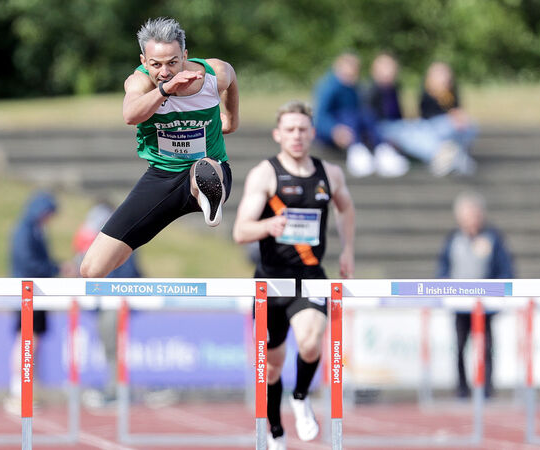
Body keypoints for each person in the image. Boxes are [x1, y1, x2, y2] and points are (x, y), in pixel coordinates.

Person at [233, 100, 355, 448]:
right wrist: (268, 225)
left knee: (311, 342)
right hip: (271, 282)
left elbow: (346, 209)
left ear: (312, 133)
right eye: (290, 130)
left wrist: (348, 249)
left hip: (311, 276)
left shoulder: (330, 174)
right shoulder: (265, 174)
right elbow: (240, 231)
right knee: (272, 366)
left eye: (302, 129)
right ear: (278, 134)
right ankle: (275, 431)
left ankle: (301, 397)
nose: (297, 135)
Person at [79, 16, 239, 279]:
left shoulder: (211, 75)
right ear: (144, 61)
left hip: (210, 170)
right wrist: (165, 90)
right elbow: (130, 115)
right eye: (156, 64)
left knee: (204, 167)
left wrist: (231, 120)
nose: (164, 72)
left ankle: (208, 195)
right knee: (91, 269)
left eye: (172, 63)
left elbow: (230, 77)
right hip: (161, 178)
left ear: (184, 56)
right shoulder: (139, 83)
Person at [437, 191, 514, 399]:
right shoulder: (453, 238)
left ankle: (487, 389)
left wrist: (498, 291)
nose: (472, 218)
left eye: (475, 213)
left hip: (485, 304)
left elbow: (505, 268)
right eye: (467, 214)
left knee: (486, 346)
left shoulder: (493, 237)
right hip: (460, 304)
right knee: (460, 346)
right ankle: (462, 388)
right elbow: (443, 268)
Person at [5, 191, 74, 412]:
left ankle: (26, 390)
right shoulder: (25, 230)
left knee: (31, 341)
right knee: (27, 340)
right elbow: (28, 263)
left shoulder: (34, 229)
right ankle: (18, 392)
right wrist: (57, 268)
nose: (49, 219)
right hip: (27, 293)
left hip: (36, 292)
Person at [72, 201, 143, 408]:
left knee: (113, 349)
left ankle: (118, 391)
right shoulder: (94, 237)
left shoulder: (122, 237)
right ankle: (117, 389)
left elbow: (127, 272)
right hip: (104, 302)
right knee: (110, 349)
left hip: (114, 301)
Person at [313, 52, 408, 178]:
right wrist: (333, 130)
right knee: (349, 116)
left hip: (352, 128)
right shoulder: (329, 87)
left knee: (367, 115)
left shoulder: (355, 88)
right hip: (334, 131)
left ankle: (382, 150)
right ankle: (357, 151)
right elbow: (320, 117)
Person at [419, 61, 478, 176]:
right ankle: (448, 156)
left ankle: (454, 155)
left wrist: (459, 117)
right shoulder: (427, 93)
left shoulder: (451, 91)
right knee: (449, 128)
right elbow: (427, 114)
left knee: (470, 126)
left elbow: (457, 108)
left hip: (453, 125)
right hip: (434, 126)